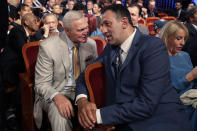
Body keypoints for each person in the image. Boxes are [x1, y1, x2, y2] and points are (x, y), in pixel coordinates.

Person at [75, 4, 192, 131]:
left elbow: (146, 105)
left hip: (159, 120)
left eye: (107, 24)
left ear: (124, 22)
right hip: (123, 120)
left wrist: (96, 115)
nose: (102, 30)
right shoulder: (111, 47)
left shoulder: (153, 47)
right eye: (102, 25)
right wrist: (82, 101)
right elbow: (86, 74)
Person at [33, 10, 98, 131]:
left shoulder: (91, 44)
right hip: (56, 91)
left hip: (82, 92)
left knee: (94, 112)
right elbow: (41, 84)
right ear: (67, 31)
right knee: (60, 113)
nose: (86, 32)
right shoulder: (48, 47)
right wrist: (57, 96)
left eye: (86, 28)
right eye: (80, 30)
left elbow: (93, 76)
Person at [159, 20, 197, 131]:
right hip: (174, 103)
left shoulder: (185, 55)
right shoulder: (159, 59)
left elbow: (193, 85)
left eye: (184, 39)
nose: (183, 43)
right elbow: (164, 91)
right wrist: (190, 76)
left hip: (192, 97)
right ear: (167, 37)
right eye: (178, 38)